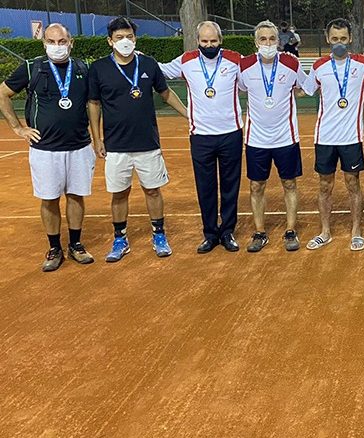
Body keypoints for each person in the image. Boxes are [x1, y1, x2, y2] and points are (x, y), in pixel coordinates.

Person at [88, 17, 187, 262]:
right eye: (119, 37)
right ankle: (120, 239)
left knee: (152, 191)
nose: (125, 41)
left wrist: (189, 114)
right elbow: (94, 103)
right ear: (110, 41)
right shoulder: (99, 68)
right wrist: (97, 139)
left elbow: (166, 93)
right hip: (116, 145)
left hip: (147, 143)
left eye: (129, 36)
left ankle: (159, 235)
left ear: (135, 38)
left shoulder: (148, 64)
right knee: (119, 194)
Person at [0, 23, 95, 271]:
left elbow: (95, 102)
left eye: (62, 41)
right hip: (44, 148)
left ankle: (75, 244)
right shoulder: (32, 67)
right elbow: (2, 93)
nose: (57, 46)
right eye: (51, 42)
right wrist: (18, 128)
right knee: (49, 199)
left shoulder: (83, 68)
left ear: (71, 43)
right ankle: (54, 248)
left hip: (79, 146)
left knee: (76, 196)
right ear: (44, 44)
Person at [158, 21, 244, 254]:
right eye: (204, 41)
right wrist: (136, 55)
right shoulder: (186, 61)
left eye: (213, 41)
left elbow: (255, 74)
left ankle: (227, 232)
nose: (209, 45)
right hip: (201, 136)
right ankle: (210, 234)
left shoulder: (235, 60)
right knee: (205, 187)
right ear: (197, 41)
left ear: (220, 40)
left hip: (230, 133)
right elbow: (161, 70)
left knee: (230, 186)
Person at [301, 18, 364, 252]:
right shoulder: (319, 66)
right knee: (325, 186)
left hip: (351, 137)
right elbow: (304, 89)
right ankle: (325, 232)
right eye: (334, 39)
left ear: (350, 38)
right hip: (324, 137)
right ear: (327, 39)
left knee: (353, 184)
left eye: (343, 38)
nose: (339, 43)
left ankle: (356, 231)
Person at [238, 20, 307, 252]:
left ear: (278, 41)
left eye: (272, 39)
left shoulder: (291, 62)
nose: (267, 43)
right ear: (255, 42)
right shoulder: (244, 65)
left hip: (286, 137)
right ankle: (260, 233)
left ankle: (290, 230)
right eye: (263, 39)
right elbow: (240, 89)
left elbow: (305, 86)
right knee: (256, 186)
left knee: (289, 183)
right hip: (256, 139)